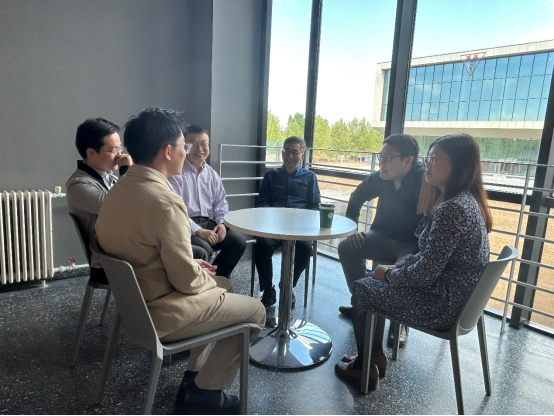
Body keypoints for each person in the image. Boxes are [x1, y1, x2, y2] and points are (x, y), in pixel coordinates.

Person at [95, 108, 265, 415]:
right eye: (183, 145)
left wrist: (193, 265)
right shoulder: (165, 201)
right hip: (163, 313)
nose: (187, 151)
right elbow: (186, 282)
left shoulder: (116, 192)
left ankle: (194, 375)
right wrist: (198, 274)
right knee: (256, 311)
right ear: (168, 151)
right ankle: (204, 393)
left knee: (223, 283)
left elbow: (141, 252)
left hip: (134, 307)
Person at [334, 134, 492, 391]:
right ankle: (375, 357)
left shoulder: (452, 209)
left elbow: (425, 274)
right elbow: (429, 259)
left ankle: (364, 367)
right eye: (428, 158)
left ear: (459, 165)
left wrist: (389, 274)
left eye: (435, 159)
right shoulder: (464, 201)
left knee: (365, 289)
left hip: (440, 306)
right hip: (455, 299)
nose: (427, 164)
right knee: (368, 285)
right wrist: (395, 268)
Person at [338, 134, 425, 348]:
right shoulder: (381, 177)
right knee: (347, 247)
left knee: (401, 272)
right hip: (382, 236)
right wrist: (353, 229)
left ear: (408, 161)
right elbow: (356, 197)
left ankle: (399, 323)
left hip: (411, 244)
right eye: (381, 157)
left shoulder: (423, 181)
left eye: (388, 158)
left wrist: (417, 251)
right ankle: (363, 302)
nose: (381, 163)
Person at [169, 125, 247, 279]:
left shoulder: (211, 174)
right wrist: (199, 231)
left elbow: (220, 202)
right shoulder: (176, 172)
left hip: (207, 222)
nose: (199, 148)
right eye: (193, 144)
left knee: (238, 242)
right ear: (185, 146)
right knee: (204, 248)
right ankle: (203, 284)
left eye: (204, 144)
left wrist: (221, 224)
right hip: (185, 225)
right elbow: (176, 210)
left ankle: (217, 279)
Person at [254, 136, 321, 308]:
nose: (290, 156)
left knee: (305, 248)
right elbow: (262, 203)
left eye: (294, 152)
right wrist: (270, 220)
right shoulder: (271, 176)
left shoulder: (310, 177)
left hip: (299, 228)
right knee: (261, 244)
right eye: (286, 151)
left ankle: (287, 285)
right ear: (282, 153)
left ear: (302, 156)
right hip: (274, 227)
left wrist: (304, 222)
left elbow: (314, 206)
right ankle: (267, 289)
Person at [66, 118, 134, 283]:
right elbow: (119, 206)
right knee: (174, 258)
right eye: (113, 150)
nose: (120, 155)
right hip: (108, 262)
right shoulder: (78, 185)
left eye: (120, 148)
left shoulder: (111, 179)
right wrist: (126, 170)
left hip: (127, 250)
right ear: (91, 152)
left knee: (185, 250)